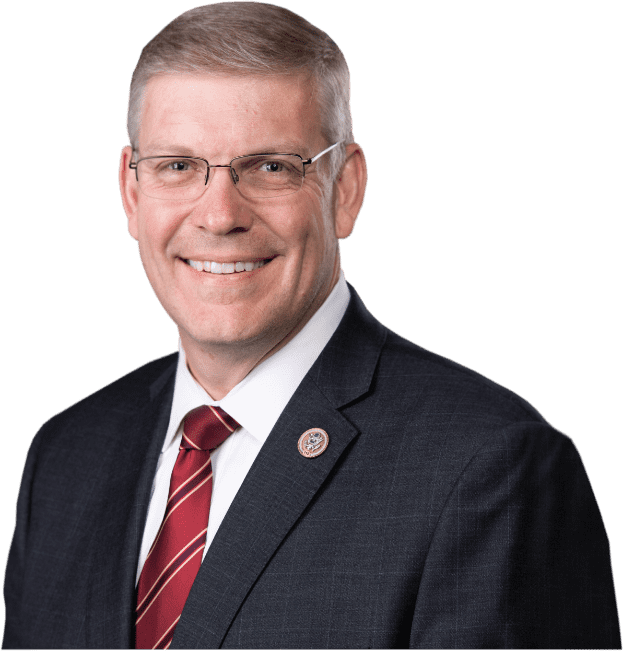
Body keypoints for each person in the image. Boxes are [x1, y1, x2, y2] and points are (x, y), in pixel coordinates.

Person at [2, 3, 620, 649]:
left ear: (344, 188)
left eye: (270, 166)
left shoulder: (488, 464)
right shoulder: (68, 454)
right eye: (178, 166)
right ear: (132, 193)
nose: (218, 215)